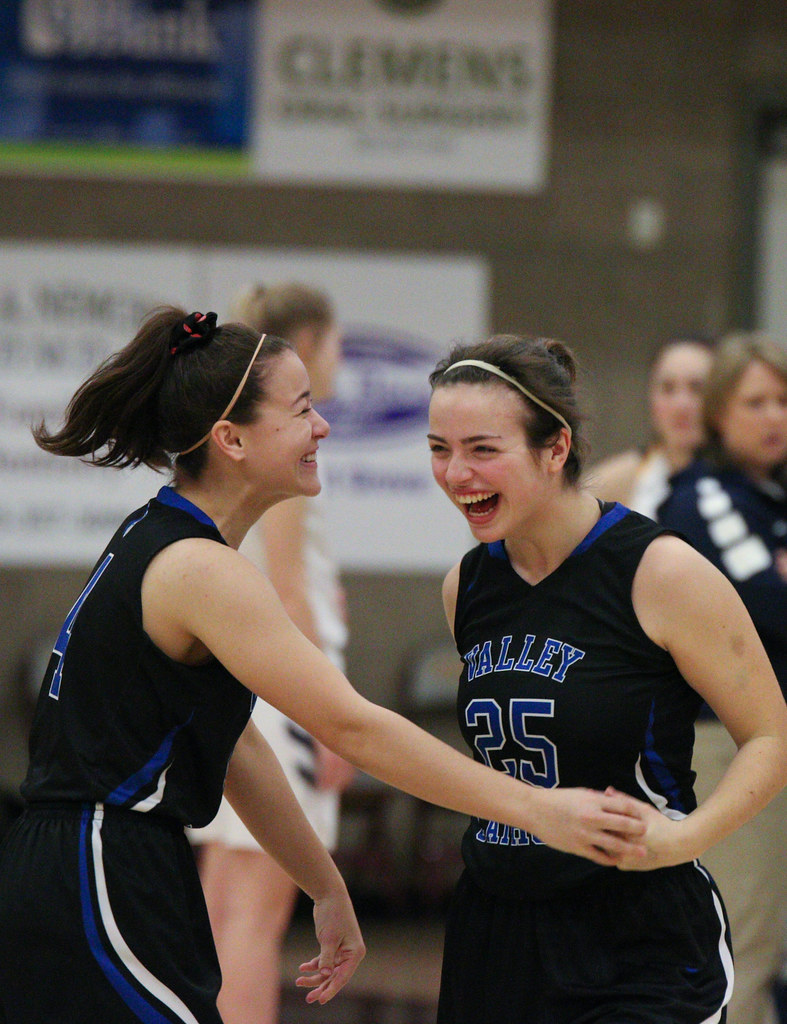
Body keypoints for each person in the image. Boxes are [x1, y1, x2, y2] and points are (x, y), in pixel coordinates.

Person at [0, 308, 655, 1024]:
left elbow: (234, 743)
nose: (324, 427)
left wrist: (322, 884)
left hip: (93, 861)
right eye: (303, 408)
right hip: (99, 861)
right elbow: (354, 727)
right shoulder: (197, 567)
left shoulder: (160, 536)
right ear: (231, 439)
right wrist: (539, 808)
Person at [426, 333, 787, 1024]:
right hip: (494, 928)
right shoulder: (464, 587)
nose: (455, 474)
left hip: (634, 932)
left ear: (554, 447)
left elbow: (770, 735)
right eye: (439, 449)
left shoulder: (660, 570)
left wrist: (686, 838)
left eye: (481, 449)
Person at [192, 283, 354, 1024]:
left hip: (239, 687)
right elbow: (289, 596)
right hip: (279, 696)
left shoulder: (236, 445)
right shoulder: (282, 459)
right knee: (252, 923)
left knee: (222, 914)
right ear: (310, 342)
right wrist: (328, 718)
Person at [658, 331, 787, 1024]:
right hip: (731, 746)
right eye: (755, 401)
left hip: (770, 744)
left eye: (783, 401)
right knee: (745, 946)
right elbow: (771, 608)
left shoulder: (767, 498)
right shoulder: (702, 498)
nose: (774, 416)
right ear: (717, 413)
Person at [586, 334, 715, 518]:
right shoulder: (612, 482)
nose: (681, 405)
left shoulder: (747, 478)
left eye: (697, 388)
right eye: (667, 388)